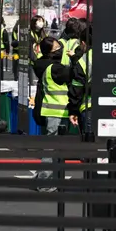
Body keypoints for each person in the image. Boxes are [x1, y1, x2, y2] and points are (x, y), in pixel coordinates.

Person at [31, 37, 73, 191]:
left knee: (53, 149)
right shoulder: (55, 69)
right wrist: (75, 58)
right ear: (49, 52)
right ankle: (44, 183)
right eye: (56, 48)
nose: (60, 49)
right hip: (57, 111)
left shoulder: (43, 66)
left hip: (49, 110)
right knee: (52, 149)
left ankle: (45, 179)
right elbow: (72, 74)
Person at [69, 26, 92, 134]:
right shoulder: (115, 55)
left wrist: (73, 111)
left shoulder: (84, 60)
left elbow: (77, 88)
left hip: (89, 108)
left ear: (83, 43)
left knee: (90, 141)